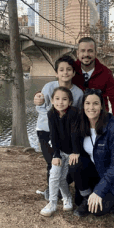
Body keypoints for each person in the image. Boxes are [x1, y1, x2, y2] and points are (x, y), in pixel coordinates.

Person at [69, 89, 114, 227]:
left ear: (102, 106)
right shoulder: (81, 126)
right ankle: (86, 198)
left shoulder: (113, 131)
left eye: (96, 103)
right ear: (83, 105)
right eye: (88, 103)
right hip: (97, 173)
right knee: (75, 162)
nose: (91, 107)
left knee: (97, 210)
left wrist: (99, 191)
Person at [34, 37, 114, 125]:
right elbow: (58, 85)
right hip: (76, 122)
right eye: (83, 51)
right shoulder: (70, 68)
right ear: (77, 53)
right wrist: (39, 95)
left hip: (99, 119)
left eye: (90, 51)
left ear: (96, 53)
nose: (86, 54)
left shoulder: (106, 73)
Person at [35, 55, 83, 200]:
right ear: (56, 73)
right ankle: (52, 193)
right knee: (53, 162)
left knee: (66, 163)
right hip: (45, 130)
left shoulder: (78, 93)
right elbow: (41, 108)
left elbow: (77, 115)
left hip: (65, 134)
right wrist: (38, 101)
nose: (65, 72)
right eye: (61, 70)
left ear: (74, 73)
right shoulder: (49, 87)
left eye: (69, 69)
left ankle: (59, 189)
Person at [40, 87, 80, 217]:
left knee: (63, 177)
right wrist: (56, 155)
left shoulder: (74, 113)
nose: (60, 102)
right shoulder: (51, 114)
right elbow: (53, 135)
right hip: (60, 151)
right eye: (57, 99)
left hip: (73, 151)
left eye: (64, 99)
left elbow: (75, 133)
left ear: (70, 101)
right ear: (52, 100)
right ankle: (52, 203)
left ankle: (67, 197)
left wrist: (75, 152)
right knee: (54, 175)